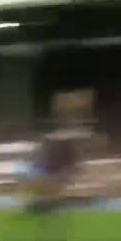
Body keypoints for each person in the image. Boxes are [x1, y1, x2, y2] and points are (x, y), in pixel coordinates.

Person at [24, 89, 99, 224]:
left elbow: (71, 144)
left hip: (55, 165)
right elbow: (67, 139)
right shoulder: (67, 134)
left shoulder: (70, 134)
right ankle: (39, 207)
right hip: (51, 166)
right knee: (55, 193)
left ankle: (40, 208)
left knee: (56, 193)